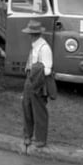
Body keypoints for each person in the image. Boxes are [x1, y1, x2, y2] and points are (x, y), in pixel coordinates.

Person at [21, 20, 53, 148]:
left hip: (38, 82)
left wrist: (35, 73)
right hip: (30, 79)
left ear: (34, 34)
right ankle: (27, 135)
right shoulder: (35, 46)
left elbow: (48, 69)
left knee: (39, 111)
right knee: (27, 107)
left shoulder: (44, 48)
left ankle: (40, 139)